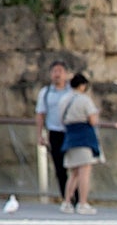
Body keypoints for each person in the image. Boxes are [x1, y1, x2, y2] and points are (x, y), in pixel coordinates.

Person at [59, 72, 101, 215]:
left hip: (70, 136)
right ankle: (82, 203)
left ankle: (67, 202)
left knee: (74, 173)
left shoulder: (64, 99)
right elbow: (93, 120)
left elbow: (61, 119)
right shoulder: (85, 100)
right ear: (82, 86)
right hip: (84, 137)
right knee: (84, 172)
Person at [36, 60, 75, 205]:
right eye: (54, 71)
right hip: (55, 132)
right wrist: (40, 135)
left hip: (71, 131)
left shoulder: (72, 91)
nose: (57, 74)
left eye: (60, 71)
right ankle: (67, 198)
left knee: (75, 166)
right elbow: (40, 114)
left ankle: (76, 195)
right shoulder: (45, 93)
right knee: (60, 167)